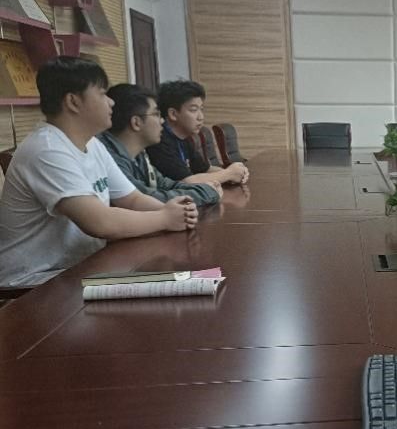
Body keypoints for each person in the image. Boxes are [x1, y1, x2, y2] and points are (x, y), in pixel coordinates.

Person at [0, 57, 198, 288]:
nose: (111, 102)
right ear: (73, 102)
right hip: (34, 282)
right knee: (170, 290)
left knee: (182, 283)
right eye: (103, 94)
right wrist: (165, 218)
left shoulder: (92, 144)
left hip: (82, 268)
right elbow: (100, 222)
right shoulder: (47, 150)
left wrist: (175, 212)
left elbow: (131, 199)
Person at [98, 83, 222, 207]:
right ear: (136, 122)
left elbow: (165, 184)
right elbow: (148, 198)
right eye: (156, 114)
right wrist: (207, 192)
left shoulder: (140, 155)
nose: (162, 121)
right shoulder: (109, 156)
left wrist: (205, 188)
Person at [146, 79, 249, 185]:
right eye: (194, 110)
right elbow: (187, 182)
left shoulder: (184, 138)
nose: (201, 117)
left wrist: (237, 173)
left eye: (201, 109)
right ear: (173, 114)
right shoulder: (159, 141)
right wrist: (228, 174)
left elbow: (205, 169)